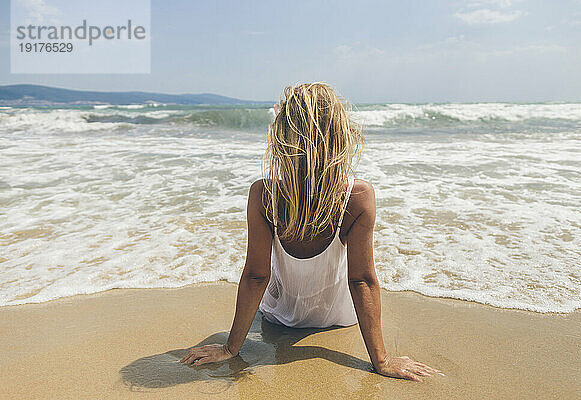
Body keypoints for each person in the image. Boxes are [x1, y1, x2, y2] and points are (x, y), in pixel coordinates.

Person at [180, 82, 442, 382]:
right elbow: (362, 280)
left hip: (280, 316)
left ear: (282, 136)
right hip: (340, 318)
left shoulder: (265, 194)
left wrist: (231, 347)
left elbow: (256, 276)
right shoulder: (357, 196)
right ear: (340, 137)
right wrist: (380, 360)